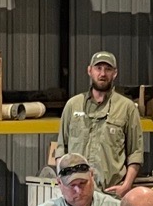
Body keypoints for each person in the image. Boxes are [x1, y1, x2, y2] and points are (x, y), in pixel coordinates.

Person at [51, 50, 142, 197]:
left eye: (108, 69)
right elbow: (61, 148)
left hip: (110, 194)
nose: (103, 73)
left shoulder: (127, 108)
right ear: (89, 70)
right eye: (98, 68)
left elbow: (135, 153)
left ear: (115, 73)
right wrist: (63, 183)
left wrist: (126, 186)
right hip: (76, 193)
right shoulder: (73, 105)